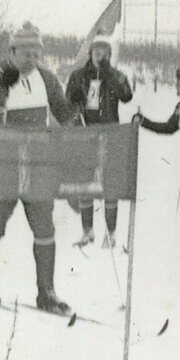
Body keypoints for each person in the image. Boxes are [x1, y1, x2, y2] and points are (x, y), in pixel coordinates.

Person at [0, 23, 77, 314]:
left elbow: (64, 113)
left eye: (36, 53)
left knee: (45, 227)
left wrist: (76, 103)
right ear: (12, 51)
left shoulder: (47, 79)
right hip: (4, 163)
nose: (31, 58)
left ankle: (47, 292)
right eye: (25, 52)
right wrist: (0, 87)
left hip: (37, 165)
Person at [64, 35, 133, 247]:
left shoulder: (115, 75)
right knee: (86, 182)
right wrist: (74, 102)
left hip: (109, 134)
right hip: (85, 133)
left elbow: (127, 95)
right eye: (96, 53)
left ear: (110, 56)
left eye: (104, 54)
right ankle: (87, 230)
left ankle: (110, 233)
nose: (99, 57)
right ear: (90, 54)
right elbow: (67, 104)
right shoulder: (78, 76)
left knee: (109, 183)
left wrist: (109, 73)